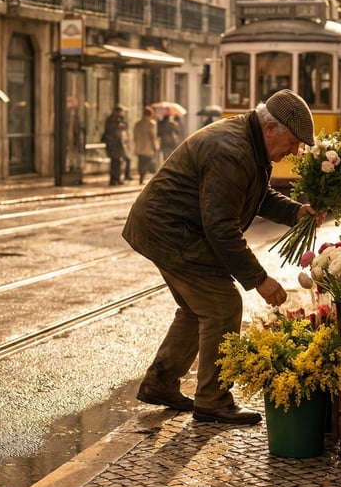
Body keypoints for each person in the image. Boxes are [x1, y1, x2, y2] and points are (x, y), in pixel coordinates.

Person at [122, 89, 323, 425]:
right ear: (272, 128)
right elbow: (221, 229)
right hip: (171, 231)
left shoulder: (250, 143)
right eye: (293, 142)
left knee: (197, 306)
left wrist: (296, 211)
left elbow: (256, 194)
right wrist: (260, 280)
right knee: (222, 305)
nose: (295, 151)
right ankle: (213, 401)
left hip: (170, 228)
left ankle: (160, 383)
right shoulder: (232, 151)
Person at [103, 104, 130, 186]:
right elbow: (116, 130)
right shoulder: (115, 119)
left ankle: (115, 179)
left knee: (116, 162)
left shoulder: (113, 119)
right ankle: (115, 179)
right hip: (116, 143)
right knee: (116, 162)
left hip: (114, 143)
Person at [132, 106, 159, 184]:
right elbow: (152, 136)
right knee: (146, 162)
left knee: (141, 162)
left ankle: (141, 176)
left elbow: (134, 135)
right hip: (148, 147)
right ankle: (142, 177)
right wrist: (154, 146)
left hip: (139, 147)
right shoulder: (151, 124)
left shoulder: (138, 123)